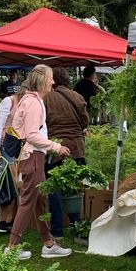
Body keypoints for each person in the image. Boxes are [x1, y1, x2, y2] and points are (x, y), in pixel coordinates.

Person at [6, 64, 73, 260]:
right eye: (51, 78)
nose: (53, 82)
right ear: (43, 81)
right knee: (28, 202)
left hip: (31, 157)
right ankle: (12, 248)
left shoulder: (29, 100)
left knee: (38, 202)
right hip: (33, 157)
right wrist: (55, 146)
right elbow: (32, 135)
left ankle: (48, 243)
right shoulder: (34, 103)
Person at [43, 66, 89, 237]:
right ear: (68, 80)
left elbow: (42, 123)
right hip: (77, 147)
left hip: (56, 148)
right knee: (73, 186)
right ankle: (76, 224)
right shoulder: (77, 97)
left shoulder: (47, 98)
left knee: (54, 188)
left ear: (53, 80)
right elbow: (85, 121)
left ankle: (57, 230)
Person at [0, 82, 22, 234]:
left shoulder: (25, 102)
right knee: (9, 184)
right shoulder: (7, 101)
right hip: (5, 146)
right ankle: (3, 221)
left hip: (17, 146)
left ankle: (11, 220)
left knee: (15, 184)